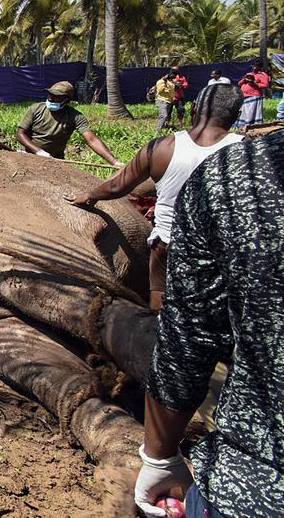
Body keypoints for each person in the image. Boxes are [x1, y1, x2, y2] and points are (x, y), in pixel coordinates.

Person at [132, 132, 284, 518]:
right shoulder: (236, 156)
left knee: (167, 300)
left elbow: (187, 341)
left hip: (251, 487)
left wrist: (160, 457)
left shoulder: (233, 170)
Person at [66, 84, 244, 311]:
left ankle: (158, 336)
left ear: (194, 109)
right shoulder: (245, 150)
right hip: (220, 247)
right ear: (237, 116)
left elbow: (117, 186)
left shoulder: (162, 147)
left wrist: (90, 197)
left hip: (167, 242)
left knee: (160, 305)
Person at [16, 81, 121, 165]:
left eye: (56, 96)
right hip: (29, 156)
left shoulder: (75, 116)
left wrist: (115, 162)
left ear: (66, 100)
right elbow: (20, 134)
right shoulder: (36, 109)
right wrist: (38, 151)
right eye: (50, 94)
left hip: (55, 160)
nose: (50, 98)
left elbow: (92, 139)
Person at [235, 60, 270, 128]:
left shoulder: (263, 75)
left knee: (251, 112)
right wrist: (244, 80)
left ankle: (252, 125)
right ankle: (243, 125)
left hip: (254, 97)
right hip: (244, 96)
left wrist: (254, 83)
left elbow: (265, 85)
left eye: (256, 66)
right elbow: (239, 83)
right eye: (254, 66)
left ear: (260, 67)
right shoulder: (249, 74)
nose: (254, 68)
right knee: (244, 112)